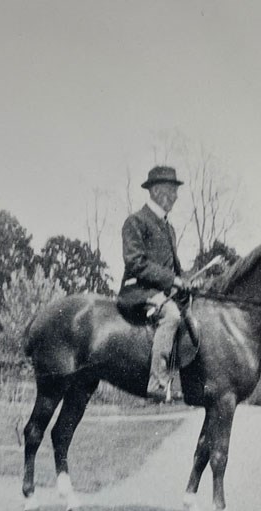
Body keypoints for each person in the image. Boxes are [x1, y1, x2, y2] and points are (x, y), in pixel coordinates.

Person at [118, 166, 189, 401]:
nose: (176, 196)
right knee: (171, 316)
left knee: (191, 313)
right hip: (137, 290)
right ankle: (157, 383)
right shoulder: (136, 221)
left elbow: (173, 268)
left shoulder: (169, 228)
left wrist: (183, 281)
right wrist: (171, 280)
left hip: (163, 290)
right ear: (157, 191)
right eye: (172, 190)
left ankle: (180, 380)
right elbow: (135, 262)